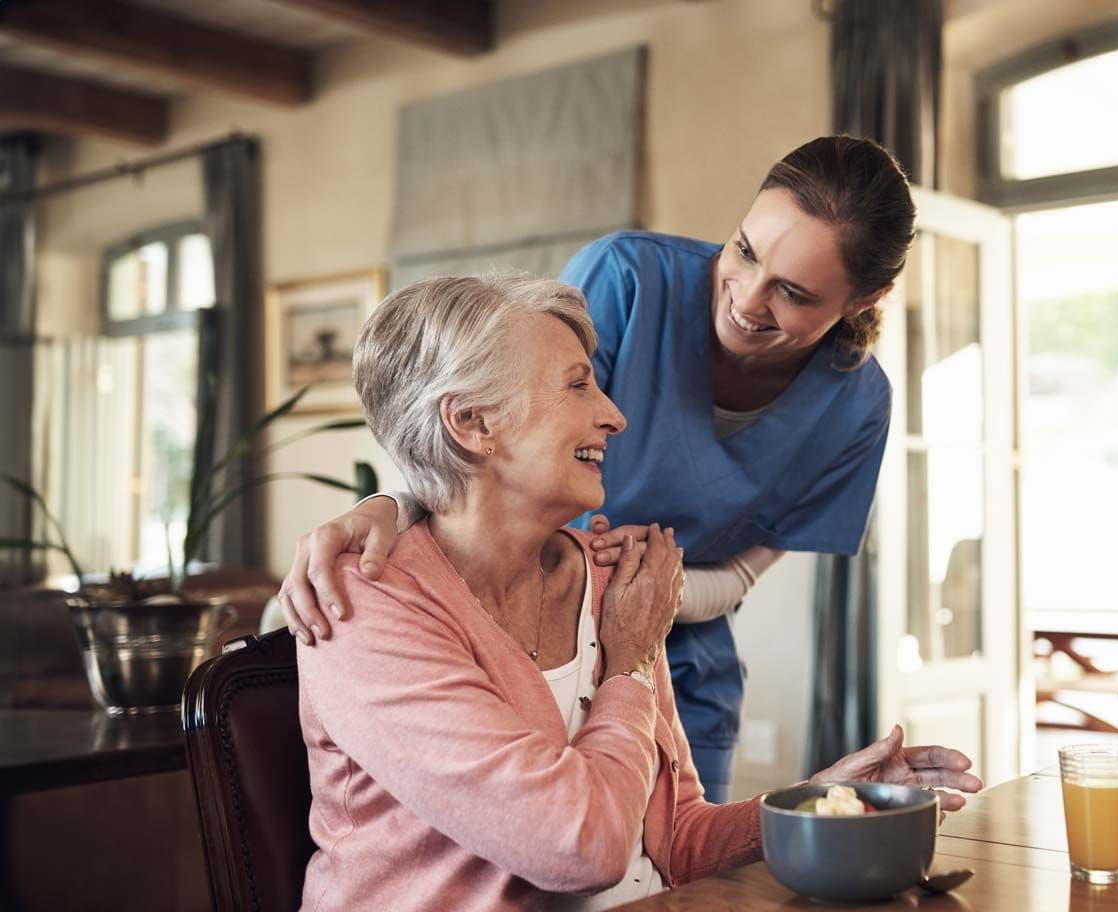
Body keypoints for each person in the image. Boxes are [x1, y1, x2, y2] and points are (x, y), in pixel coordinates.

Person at [292, 272, 982, 912]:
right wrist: (626, 662)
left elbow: (676, 837)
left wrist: (820, 803)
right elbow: (582, 846)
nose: (614, 415)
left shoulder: (608, 577)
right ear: (473, 423)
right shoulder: (364, 609)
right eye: (578, 383)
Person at [280, 135, 915, 803]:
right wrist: (390, 506)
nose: (748, 300)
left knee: (686, 881)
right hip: (530, 626)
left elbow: (739, 576)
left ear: (865, 297)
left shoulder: (857, 404)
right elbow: (491, 432)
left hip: (683, 661)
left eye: (792, 291)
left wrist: (650, 602)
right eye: (744, 251)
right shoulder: (628, 279)